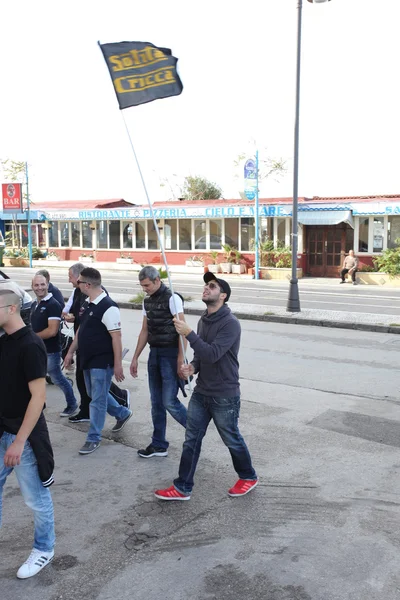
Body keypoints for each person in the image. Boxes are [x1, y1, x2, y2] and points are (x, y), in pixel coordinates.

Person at [154, 272, 258, 501]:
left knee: (231, 438)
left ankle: (248, 476)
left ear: (223, 295)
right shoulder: (204, 319)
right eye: (206, 285)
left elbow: (213, 353)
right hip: (202, 392)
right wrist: (192, 368)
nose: (206, 288)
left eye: (212, 286)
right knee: (191, 439)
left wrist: (189, 334)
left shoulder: (230, 324)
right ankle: (182, 487)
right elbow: (202, 356)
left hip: (224, 394)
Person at [0, 284, 56, 579]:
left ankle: (44, 549)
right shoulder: (4, 340)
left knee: (36, 497)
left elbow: (39, 397)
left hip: (23, 438)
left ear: (10, 309)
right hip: (2, 432)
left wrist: (19, 442)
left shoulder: (30, 344)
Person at [64, 268, 132, 455]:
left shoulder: (109, 307)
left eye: (78, 282)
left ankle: (93, 438)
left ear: (87, 285)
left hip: (102, 361)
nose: (76, 284)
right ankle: (122, 413)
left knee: (97, 400)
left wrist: (118, 364)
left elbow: (116, 338)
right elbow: (81, 330)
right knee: (95, 394)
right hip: (86, 358)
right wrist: (70, 352)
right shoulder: (87, 303)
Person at [130, 266, 187, 459]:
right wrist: (136, 357)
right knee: (156, 403)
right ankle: (159, 444)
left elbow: (183, 331)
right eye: (142, 286)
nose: (144, 289)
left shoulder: (173, 299)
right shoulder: (147, 302)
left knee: (169, 401)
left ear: (157, 281)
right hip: (154, 353)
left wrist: (181, 359)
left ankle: (195, 428)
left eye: (146, 285)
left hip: (170, 354)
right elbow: (145, 330)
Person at [30, 274, 79, 417]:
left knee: (57, 379)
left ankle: (72, 404)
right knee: (35, 378)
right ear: (32, 286)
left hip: (50, 351)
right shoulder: (35, 304)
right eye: (36, 285)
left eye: (42, 284)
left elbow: (52, 331)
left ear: (48, 284)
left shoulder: (53, 305)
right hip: (38, 350)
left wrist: (31, 337)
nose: (40, 288)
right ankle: (38, 405)